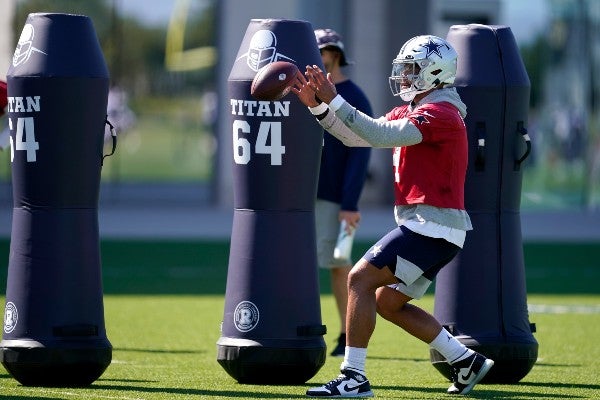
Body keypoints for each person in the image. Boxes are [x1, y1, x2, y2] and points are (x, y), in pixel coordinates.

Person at [291, 35, 494, 397]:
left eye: (411, 69)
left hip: (432, 225)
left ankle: (354, 376)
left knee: (358, 279)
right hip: (429, 227)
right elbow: (357, 138)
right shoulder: (418, 108)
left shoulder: (441, 113)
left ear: (434, 72)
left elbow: (374, 131)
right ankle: (465, 360)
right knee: (387, 302)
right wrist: (318, 108)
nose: (403, 76)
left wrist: (334, 97)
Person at [313, 28, 372, 357]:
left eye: (322, 52)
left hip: (341, 202)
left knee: (341, 264)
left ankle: (346, 334)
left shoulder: (354, 96)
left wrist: (350, 203)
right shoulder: (305, 92)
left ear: (334, 54)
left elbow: (360, 154)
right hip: (306, 198)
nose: (318, 58)